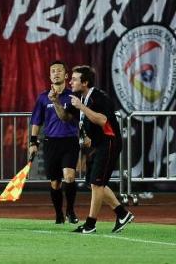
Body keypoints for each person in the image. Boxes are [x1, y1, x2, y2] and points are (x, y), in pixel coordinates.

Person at [51, 65, 134, 234]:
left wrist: (82, 107)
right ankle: (122, 213)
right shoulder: (79, 97)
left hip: (109, 142)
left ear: (85, 82)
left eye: (74, 79)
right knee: (93, 182)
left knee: (97, 183)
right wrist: (55, 102)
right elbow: (65, 117)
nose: (70, 81)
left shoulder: (98, 97)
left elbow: (102, 120)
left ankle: (90, 224)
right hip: (98, 145)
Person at [28, 61, 80, 225]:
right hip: (51, 143)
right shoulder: (43, 98)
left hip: (70, 141)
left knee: (69, 177)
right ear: (50, 76)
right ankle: (59, 214)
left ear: (66, 75)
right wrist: (33, 142)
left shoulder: (73, 97)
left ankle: (70, 211)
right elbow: (36, 121)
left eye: (59, 71)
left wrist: (56, 101)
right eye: (52, 71)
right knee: (55, 183)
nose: (56, 73)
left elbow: (68, 118)